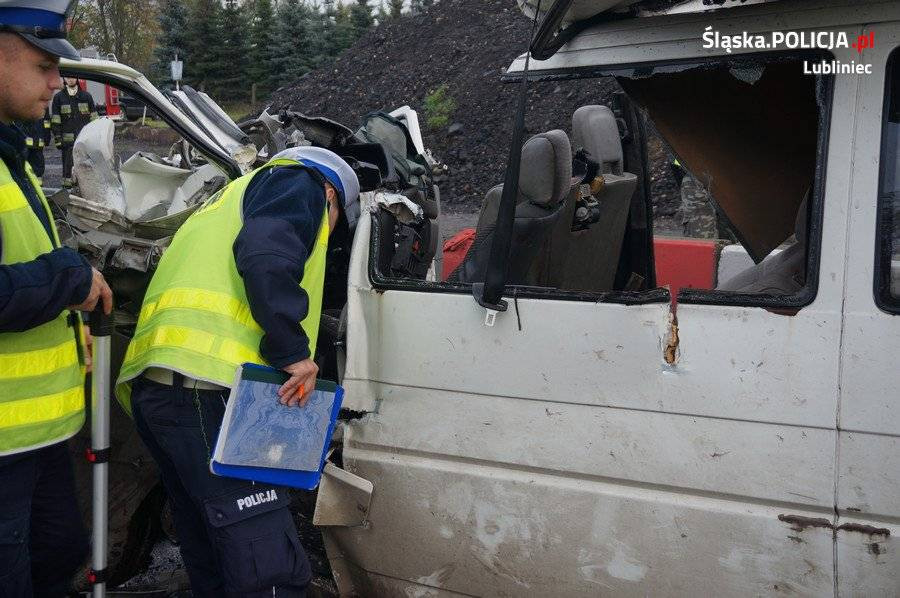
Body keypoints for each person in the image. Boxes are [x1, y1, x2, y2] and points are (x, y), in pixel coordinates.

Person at [116, 145, 361, 597]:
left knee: (211, 552)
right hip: (209, 394)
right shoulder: (297, 182)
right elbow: (266, 255)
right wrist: (292, 352)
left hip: (159, 391)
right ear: (332, 196)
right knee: (265, 565)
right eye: (336, 226)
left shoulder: (226, 200)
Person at [0, 1, 114, 595]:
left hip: (33, 438)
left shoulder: (10, 153)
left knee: (58, 552)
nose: (58, 83)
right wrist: (68, 278)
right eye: (44, 64)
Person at [51, 76, 96, 188]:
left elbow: (94, 120)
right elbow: (56, 121)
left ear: (77, 79)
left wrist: (94, 138)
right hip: (67, 143)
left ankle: (85, 187)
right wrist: (57, 139)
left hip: (84, 142)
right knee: (68, 167)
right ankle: (67, 190)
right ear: (64, 79)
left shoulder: (86, 97)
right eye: (68, 77)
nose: (70, 79)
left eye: (73, 77)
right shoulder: (59, 98)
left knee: (85, 166)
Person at [18, 108, 51, 182]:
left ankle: (34, 180)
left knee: (36, 162)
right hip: (29, 140)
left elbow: (47, 122)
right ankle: (27, 179)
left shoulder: (42, 103)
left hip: (35, 140)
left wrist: (47, 136)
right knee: (26, 161)